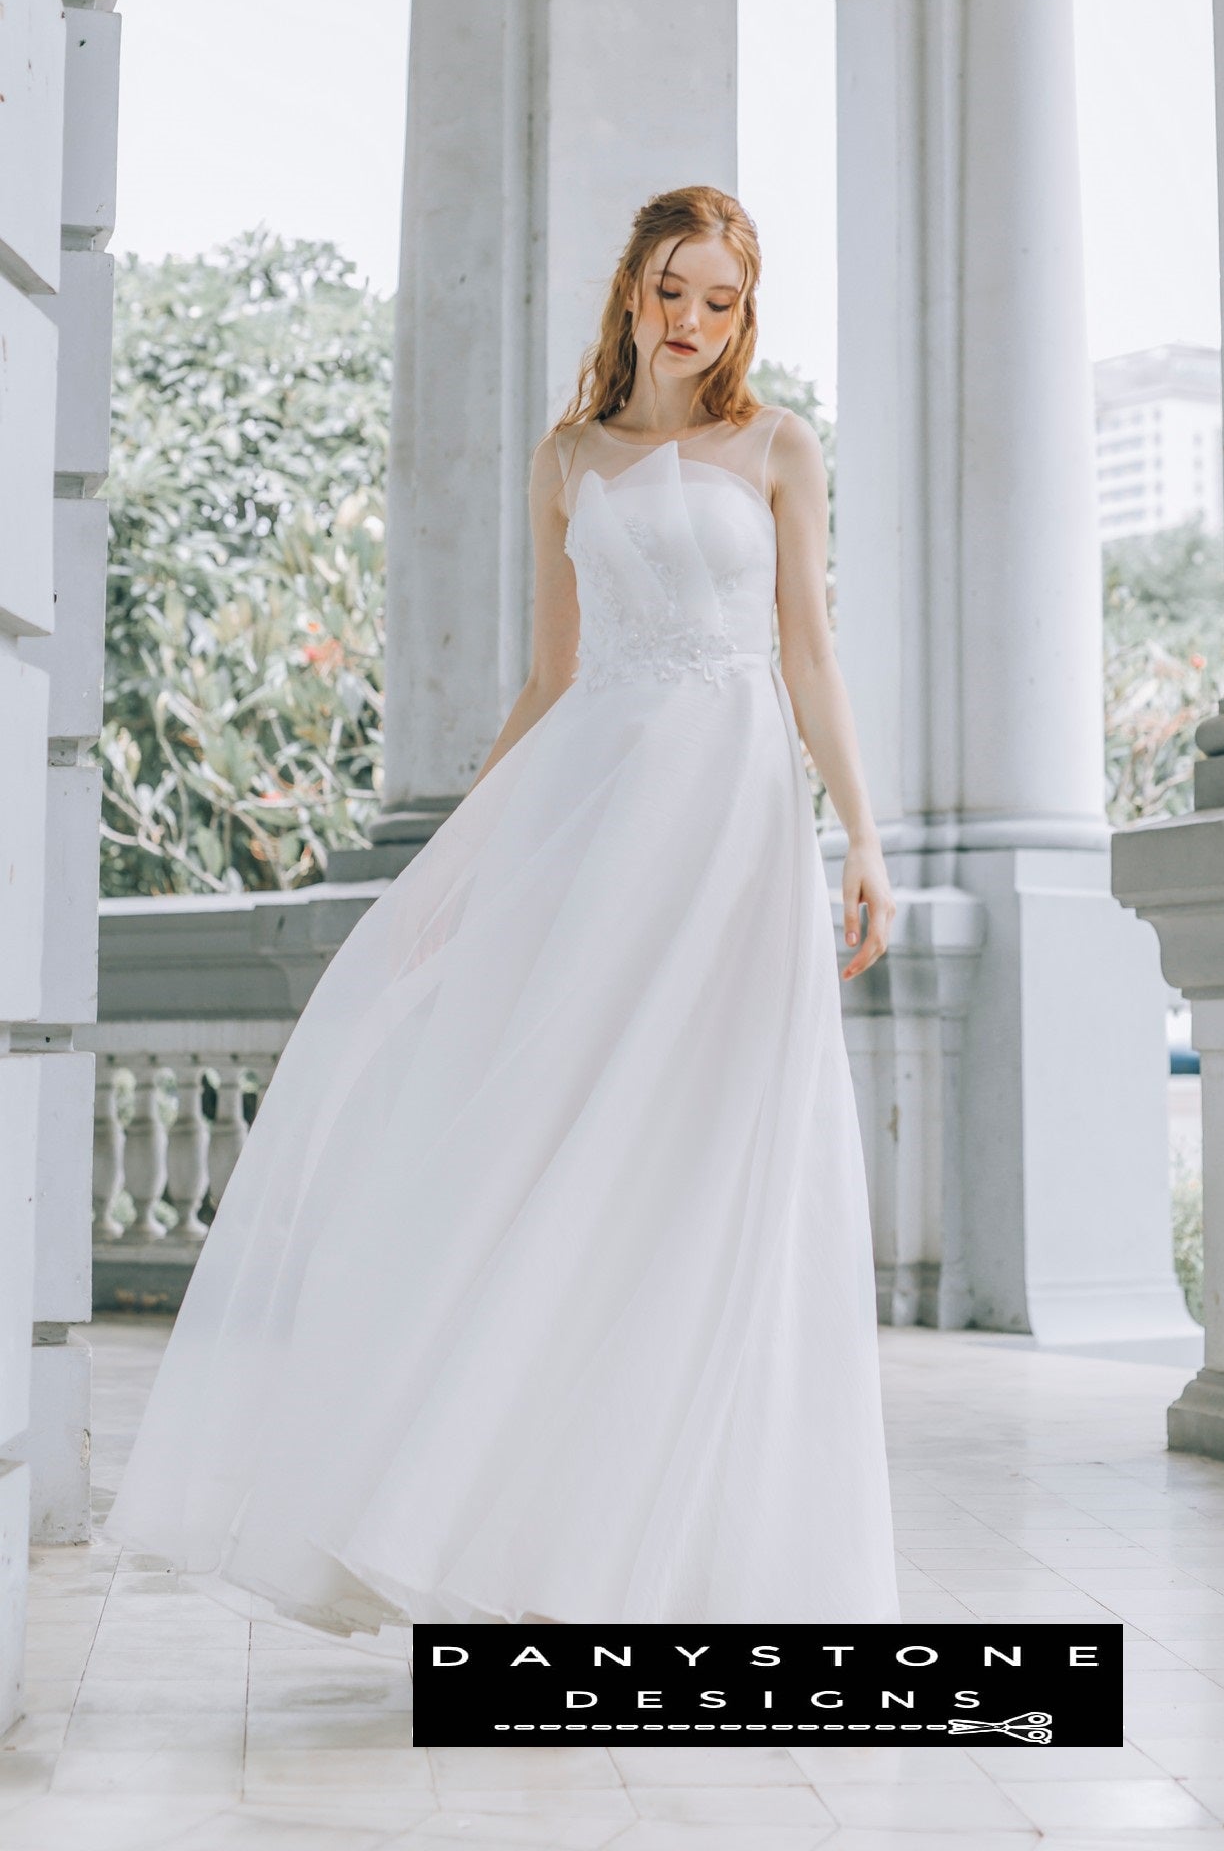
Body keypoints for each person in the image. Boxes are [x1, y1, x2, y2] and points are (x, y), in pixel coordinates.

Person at [105, 184, 901, 1634]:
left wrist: (865, 841)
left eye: (722, 300)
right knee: (552, 1135)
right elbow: (549, 681)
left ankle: (695, 1559)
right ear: (631, 288)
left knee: (720, 1147)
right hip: (599, 816)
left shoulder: (781, 446)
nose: (694, 322)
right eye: (673, 289)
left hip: (734, 826)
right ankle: (490, 1531)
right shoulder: (567, 459)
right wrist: (457, 859)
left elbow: (810, 656)